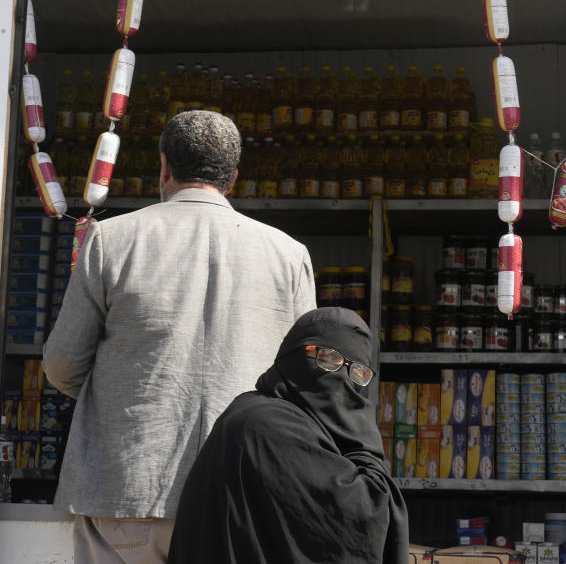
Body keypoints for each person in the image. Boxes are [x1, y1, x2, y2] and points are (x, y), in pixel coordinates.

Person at [43, 110, 317, 562]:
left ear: (165, 165)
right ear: (232, 176)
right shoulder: (289, 255)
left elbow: (63, 364)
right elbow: (304, 382)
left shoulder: (111, 240)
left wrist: (114, 396)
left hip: (128, 491)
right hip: (239, 496)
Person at [167, 307, 409, 564]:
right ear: (292, 355)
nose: (341, 377)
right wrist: (362, 438)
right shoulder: (272, 427)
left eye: (358, 373)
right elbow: (367, 514)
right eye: (327, 359)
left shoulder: (254, 413)